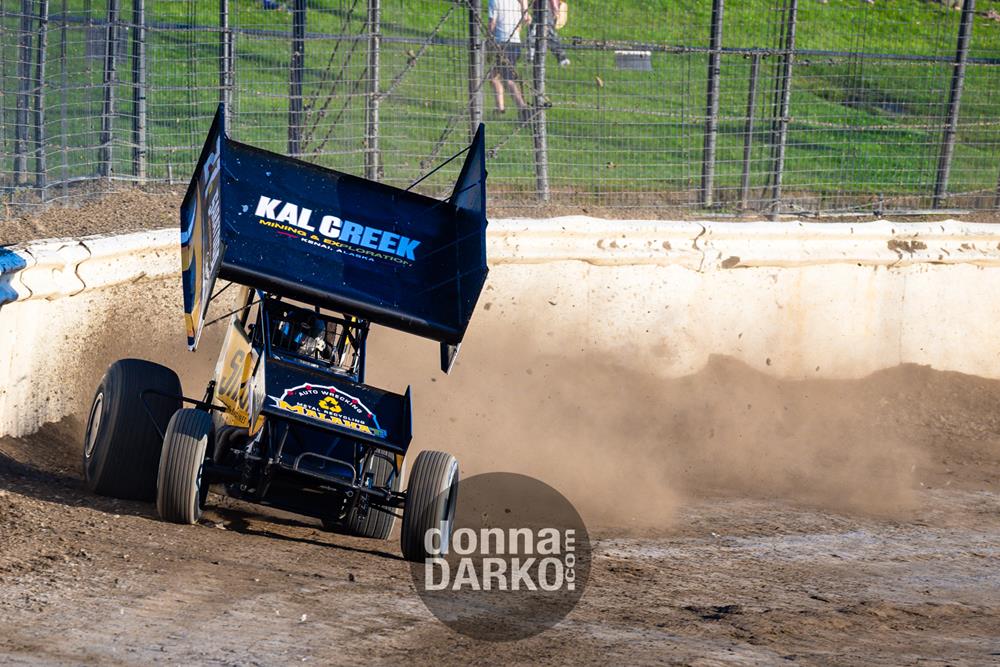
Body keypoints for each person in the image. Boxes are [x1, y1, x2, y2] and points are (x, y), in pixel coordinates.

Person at [488, 0, 532, 121]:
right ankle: (500, 108)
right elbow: (519, 25)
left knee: (508, 80)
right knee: (493, 77)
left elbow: (492, 23)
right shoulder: (515, 2)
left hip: (503, 44)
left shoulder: (494, 1)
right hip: (515, 44)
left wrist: (489, 41)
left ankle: (523, 109)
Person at [528, 0, 570, 67]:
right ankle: (532, 54)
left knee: (546, 30)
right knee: (535, 29)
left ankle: (561, 56)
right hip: (541, 5)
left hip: (546, 6)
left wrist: (555, 6)